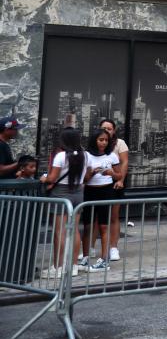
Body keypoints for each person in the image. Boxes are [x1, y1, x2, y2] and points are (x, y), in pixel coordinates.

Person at [40, 128, 89, 277]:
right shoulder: (84, 155)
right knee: (74, 230)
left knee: (59, 232)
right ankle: (73, 266)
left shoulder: (61, 156)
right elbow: (86, 176)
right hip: (78, 193)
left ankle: (58, 268)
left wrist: (44, 178)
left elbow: (52, 178)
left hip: (61, 193)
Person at [82, 129, 121, 272]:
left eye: (106, 140)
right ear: (94, 140)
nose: (103, 143)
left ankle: (104, 259)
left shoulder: (112, 156)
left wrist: (111, 173)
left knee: (104, 226)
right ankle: (85, 257)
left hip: (106, 190)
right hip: (90, 191)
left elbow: (119, 175)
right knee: (87, 226)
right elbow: (84, 179)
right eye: (100, 140)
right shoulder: (86, 156)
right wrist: (91, 172)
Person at [99, 119, 128, 262]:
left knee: (114, 216)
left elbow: (125, 162)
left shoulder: (120, 143)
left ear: (114, 130)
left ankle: (113, 247)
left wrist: (120, 180)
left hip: (114, 183)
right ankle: (90, 248)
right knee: (95, 217)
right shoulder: (95, 142)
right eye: (104, 128)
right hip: (97, 184)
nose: (107, 130)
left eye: (109, 128)